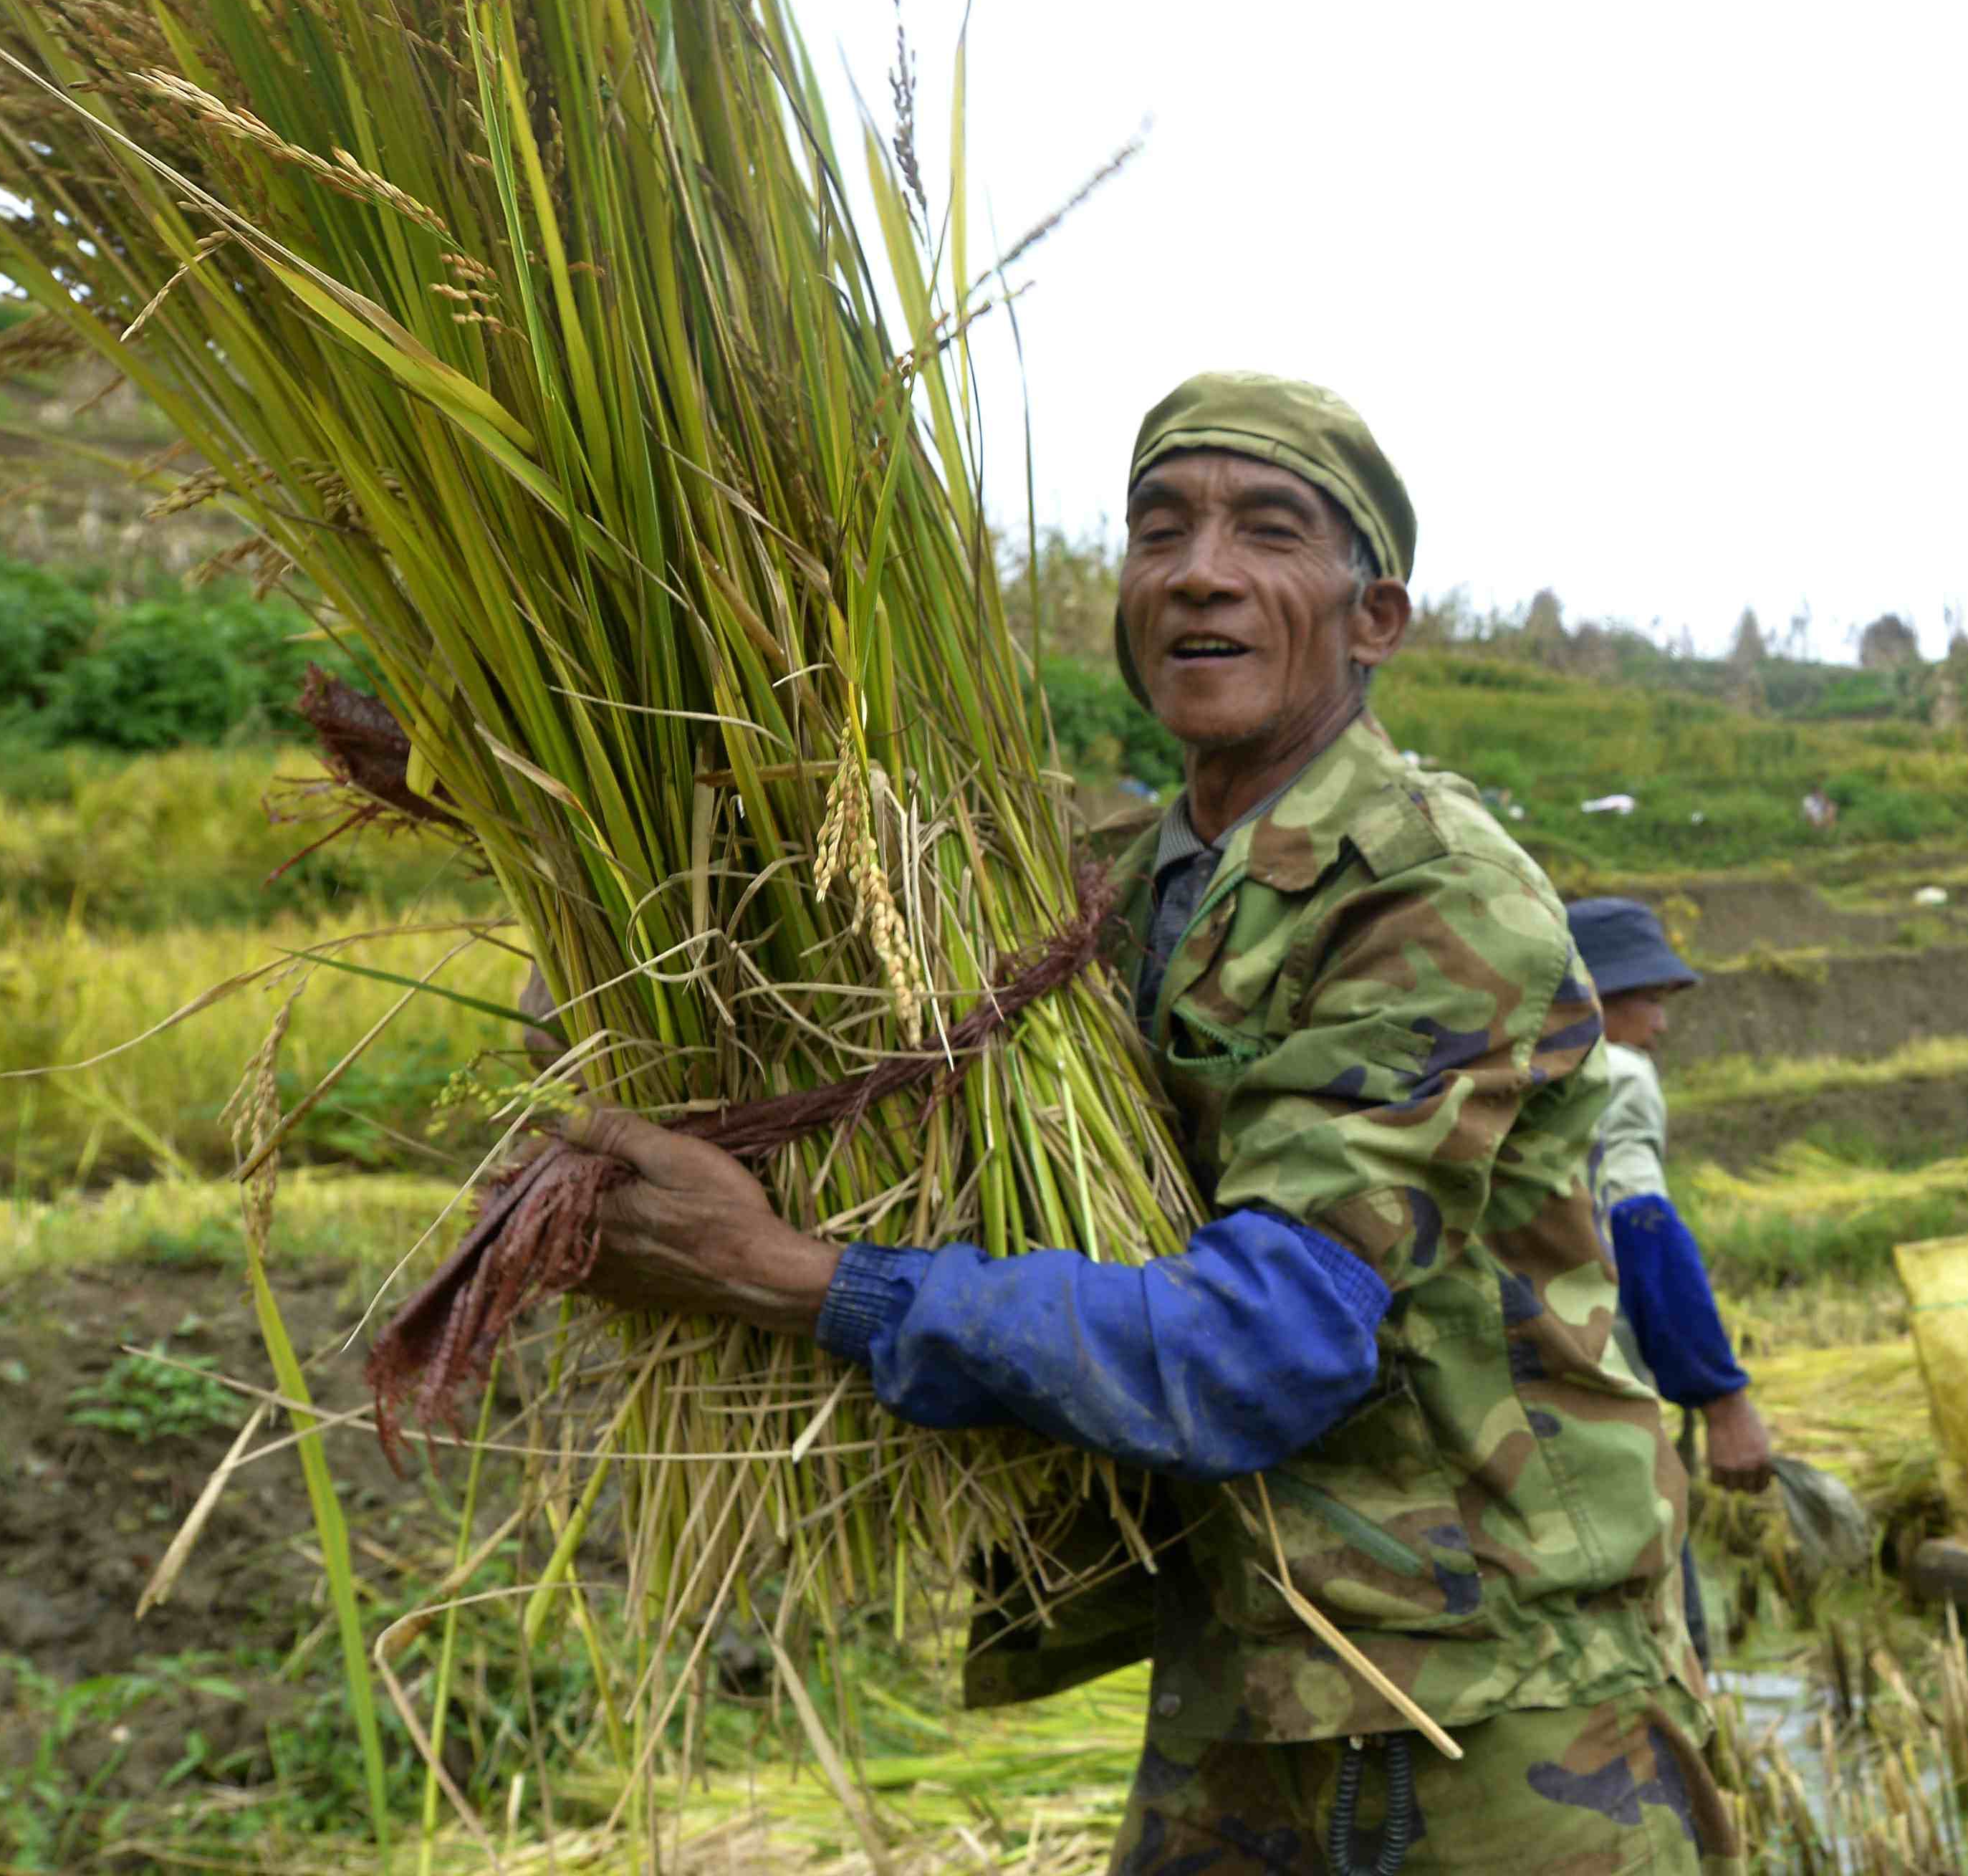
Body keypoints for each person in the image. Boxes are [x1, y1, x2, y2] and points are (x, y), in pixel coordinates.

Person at [547, 372, 1720, 1875]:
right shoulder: (1102, 877)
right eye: (1157, 527)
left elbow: (1264, 1345)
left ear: (1377, 619)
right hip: (1247, 1656)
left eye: (1268, 529)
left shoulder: (1428, 891)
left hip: (1494, 1714)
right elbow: (787, 919)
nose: (1198, 567)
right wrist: (567, 803)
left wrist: (786, 1274)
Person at [1568, 899, 1775, 1499]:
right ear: (1592, 997)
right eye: (1651, 1001)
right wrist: (1723, 1399)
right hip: (1605, 1396)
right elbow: (1643, 1228)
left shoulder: (1502, 1081)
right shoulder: (1617, 1075)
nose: (1662, 1026)